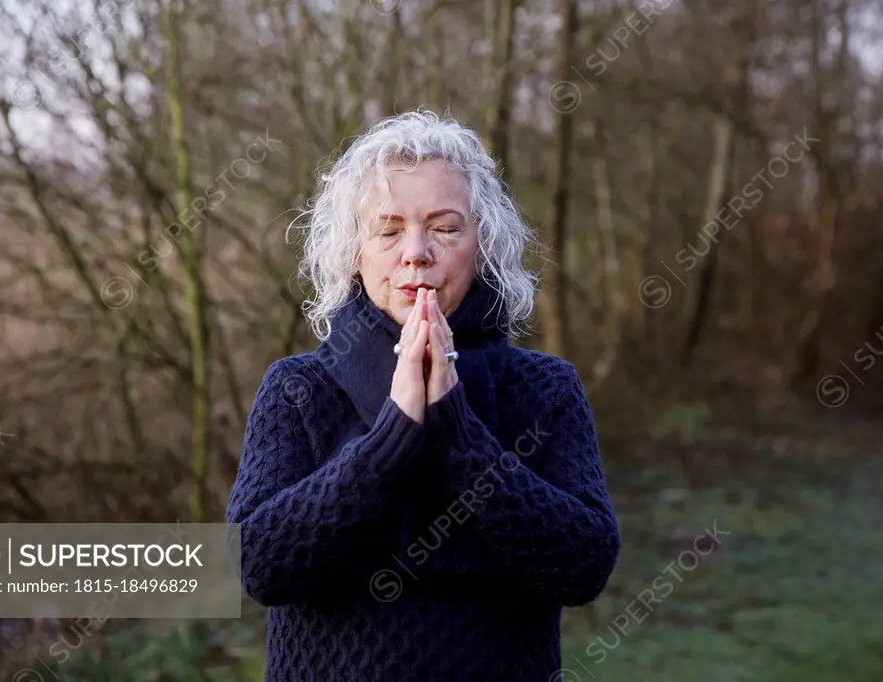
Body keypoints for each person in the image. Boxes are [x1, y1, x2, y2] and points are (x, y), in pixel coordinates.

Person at [225, 110, 622, 682]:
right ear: (355, 252)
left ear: (482, 241)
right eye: (388, 230)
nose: (416, 251)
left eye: (444, 227)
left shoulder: (546, 390)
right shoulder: (297, 390)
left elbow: (584, 566)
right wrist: (393, 437)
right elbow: (256, 564)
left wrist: (457, 431)